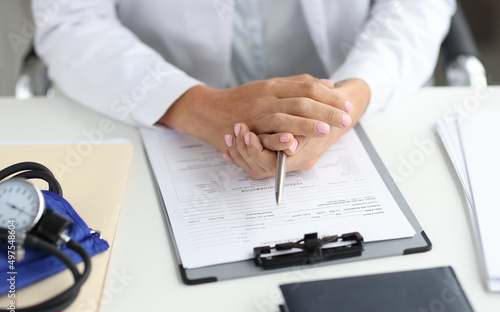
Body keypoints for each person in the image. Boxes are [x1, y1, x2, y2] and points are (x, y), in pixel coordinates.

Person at [32, 0, 455, 179]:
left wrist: (347, 101)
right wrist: (193, 106)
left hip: (363, 113)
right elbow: (70, 19)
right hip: (155, 119)